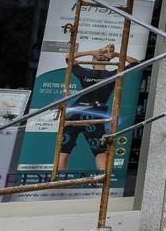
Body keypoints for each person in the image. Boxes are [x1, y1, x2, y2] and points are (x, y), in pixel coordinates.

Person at [57, 44, 138, 173]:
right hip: (85, 113)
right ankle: (57, 182)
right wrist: (92, 52)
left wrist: (115, 55)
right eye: (97, 56)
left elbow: (135, 64)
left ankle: (102, 182)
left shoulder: (111, 73)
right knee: (66, 151)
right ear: (93, 61)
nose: (99, 57)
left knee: (98, 151)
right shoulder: (102, 73)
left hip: (84, 113)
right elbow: (68, 58)